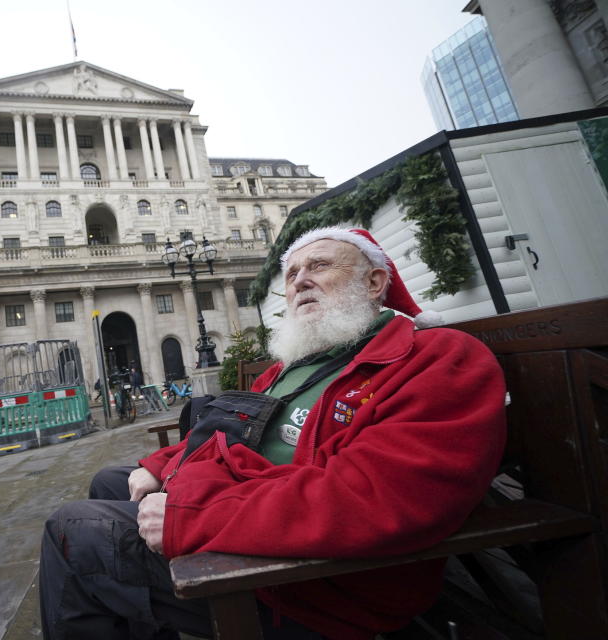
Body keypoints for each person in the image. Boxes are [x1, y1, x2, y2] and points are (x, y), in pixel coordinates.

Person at [39, 227, 507, 639]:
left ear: (375, 281)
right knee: (112, 481)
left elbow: (377, 498)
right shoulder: (297, 365)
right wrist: (162, 465)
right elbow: (223, 428)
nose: (300, 279)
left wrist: (190, 515)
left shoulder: (437, 358)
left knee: (76, 531)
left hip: (316, 583)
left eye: (320, 265)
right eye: (292, 272)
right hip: (256, 518)